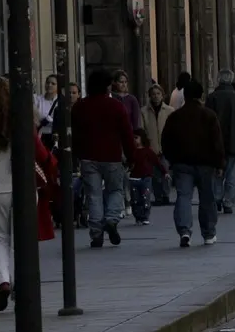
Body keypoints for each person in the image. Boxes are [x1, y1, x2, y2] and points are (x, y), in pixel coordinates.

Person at [0, 76, 58, 311]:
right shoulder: (22, 124)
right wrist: (54, 164)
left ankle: (3, 281)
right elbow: (40, 154)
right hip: (23, 189)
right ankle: (23, 283)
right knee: (24, 239)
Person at [72, 69, 138, 248]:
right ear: (107, 86)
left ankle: (96, 233)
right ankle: (111, 219)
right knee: (115, 190)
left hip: (88, 157)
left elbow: (76, 135)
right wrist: (132, 156)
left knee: (93, 195)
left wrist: (77, 155)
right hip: (112, 157)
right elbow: (127, 134)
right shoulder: (116, 106)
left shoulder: (80, 106)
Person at [162, 81, 226, 247]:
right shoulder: (209, 116)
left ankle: (184, 231)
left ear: (185, 96)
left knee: (183, 197)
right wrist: (220, 164)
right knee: (207, 198)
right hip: (206, 164)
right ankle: (209, 233)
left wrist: (172, 159)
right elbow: (217, 142)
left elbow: (166, 141)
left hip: (182, 163)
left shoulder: (175, 117)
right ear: (201, 96)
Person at [206, 70, 235, 214]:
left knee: (217, 173)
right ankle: (228, 202)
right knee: (232, 174)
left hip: (215, 143)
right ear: (231, 80)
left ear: (218, 80)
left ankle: (217, 198)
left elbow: (206, 120)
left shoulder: (211, 98)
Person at [141, 83, 174, 205]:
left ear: (163, 95)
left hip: (166, 147)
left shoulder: (170, 111)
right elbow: (142, 130)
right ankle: (158, 196)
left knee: (166, 171)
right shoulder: (144, 111)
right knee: (154, 173)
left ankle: (166, 195)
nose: (156, 96)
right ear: (150, 96)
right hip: (151, 147)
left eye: (158, 94)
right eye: (153, 94)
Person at [128, 129, 165, 226]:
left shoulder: (148, 151)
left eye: (136, 138)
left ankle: (145, 216)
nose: (134, 140)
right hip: (134, 178)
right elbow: (129, 162)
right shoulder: (133, 151)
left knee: (145, 198)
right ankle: (138, 216)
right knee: (135, 199)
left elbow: (157, 162)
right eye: (133, 138)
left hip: (146, 178)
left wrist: (164, 172)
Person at [35, 75, 60, 151]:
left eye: (53, 83)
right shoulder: (37, 100)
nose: (49, 85)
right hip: (41, 136)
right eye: (48, 82)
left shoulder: (60, 102)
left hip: (56, 137)